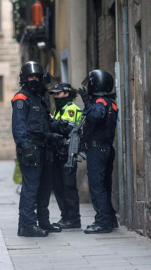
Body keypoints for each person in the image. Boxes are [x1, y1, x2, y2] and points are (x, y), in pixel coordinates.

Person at [11, 61, 61, 237]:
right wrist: (25, 147)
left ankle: (43, 221)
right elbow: (18, 126)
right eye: (30, 77)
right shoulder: (21, 98)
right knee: (31, 188)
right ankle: (27, 225)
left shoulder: (39, 99)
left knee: (45, 187)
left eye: (36, 77)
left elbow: (45, 123)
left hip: (44, 148)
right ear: (24, 78)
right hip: (31, 148)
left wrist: (57, 130)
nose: (33, 79)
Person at [78, 69, 118, 234]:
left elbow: (96, 116)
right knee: (105, 185)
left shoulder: (100, 101)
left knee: (97, 186)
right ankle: (110, 218)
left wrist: (87, 103)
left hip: (98, 148)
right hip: (106, 148)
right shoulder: (110, 101)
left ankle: (102, 222)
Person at [48, 82, 82, 229]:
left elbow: (67, 129)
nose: (56, 96)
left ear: (67, 93)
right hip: (58, 153)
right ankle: (65, 217)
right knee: (59, 186)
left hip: (68, 153)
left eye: (58, 93)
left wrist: (53, 122)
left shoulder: (71, 109)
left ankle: (73, 218)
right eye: (54, 94)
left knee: (68, 186)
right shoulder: (58, 110)